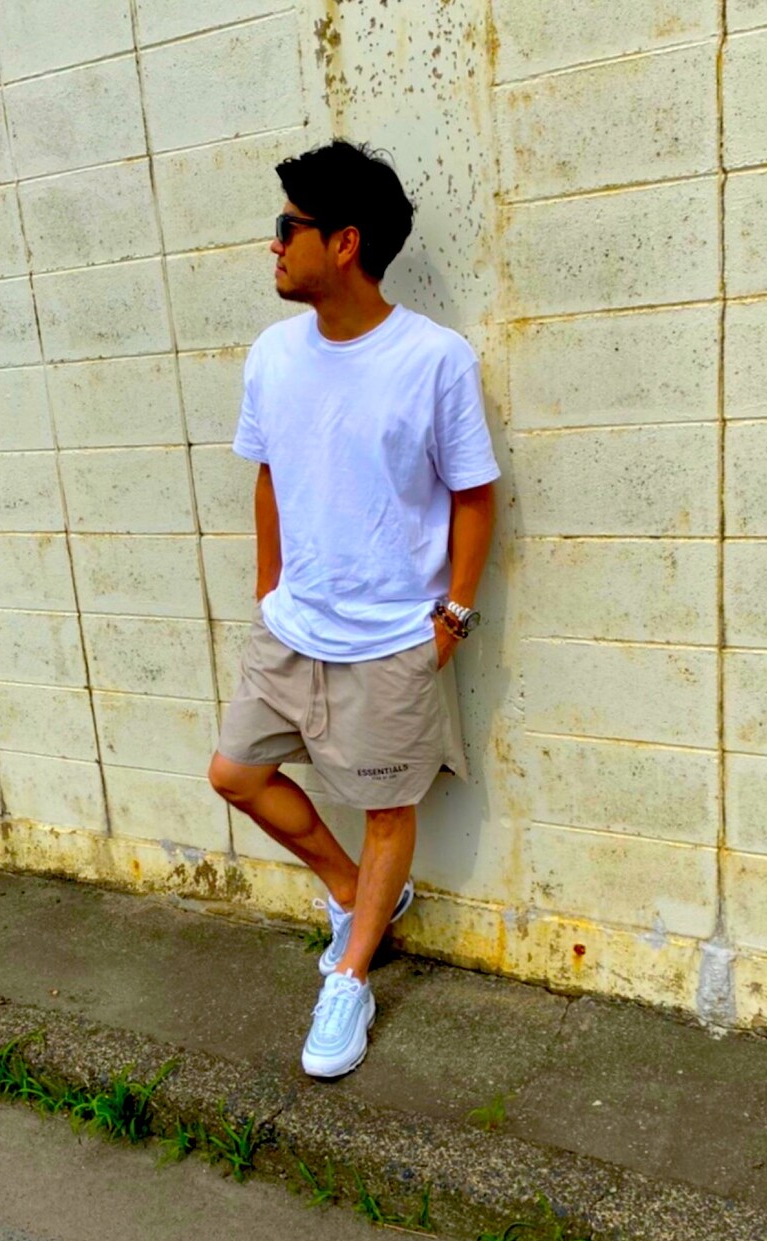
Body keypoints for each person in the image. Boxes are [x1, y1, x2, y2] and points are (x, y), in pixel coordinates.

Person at [207, 140, 500, 1080]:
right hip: (292, 627)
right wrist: (269, 590)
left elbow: (474, 494)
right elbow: (268, 476)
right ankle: (351, 894)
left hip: (392, 639)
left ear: (344, 243)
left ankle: (351, 974)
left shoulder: (433, 359)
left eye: (287, 227)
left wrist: (453, 616)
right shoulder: (272, 355)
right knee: (234, 773)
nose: (273, 244)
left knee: (385, 809)